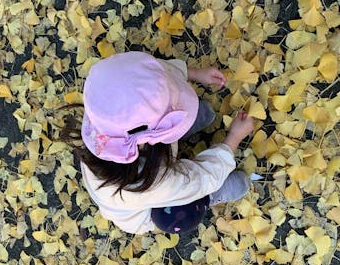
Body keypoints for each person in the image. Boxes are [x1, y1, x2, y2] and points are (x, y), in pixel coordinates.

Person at [58, 51, 254, 235]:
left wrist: (193, 73)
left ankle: (180, 128)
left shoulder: (105, 110)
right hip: (149, 206)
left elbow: (157, 73)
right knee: (181, 215)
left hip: (148, 158)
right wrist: (233, 138)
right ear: (148, 142)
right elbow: (199, 180)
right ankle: (207, 199)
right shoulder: (148, 184)